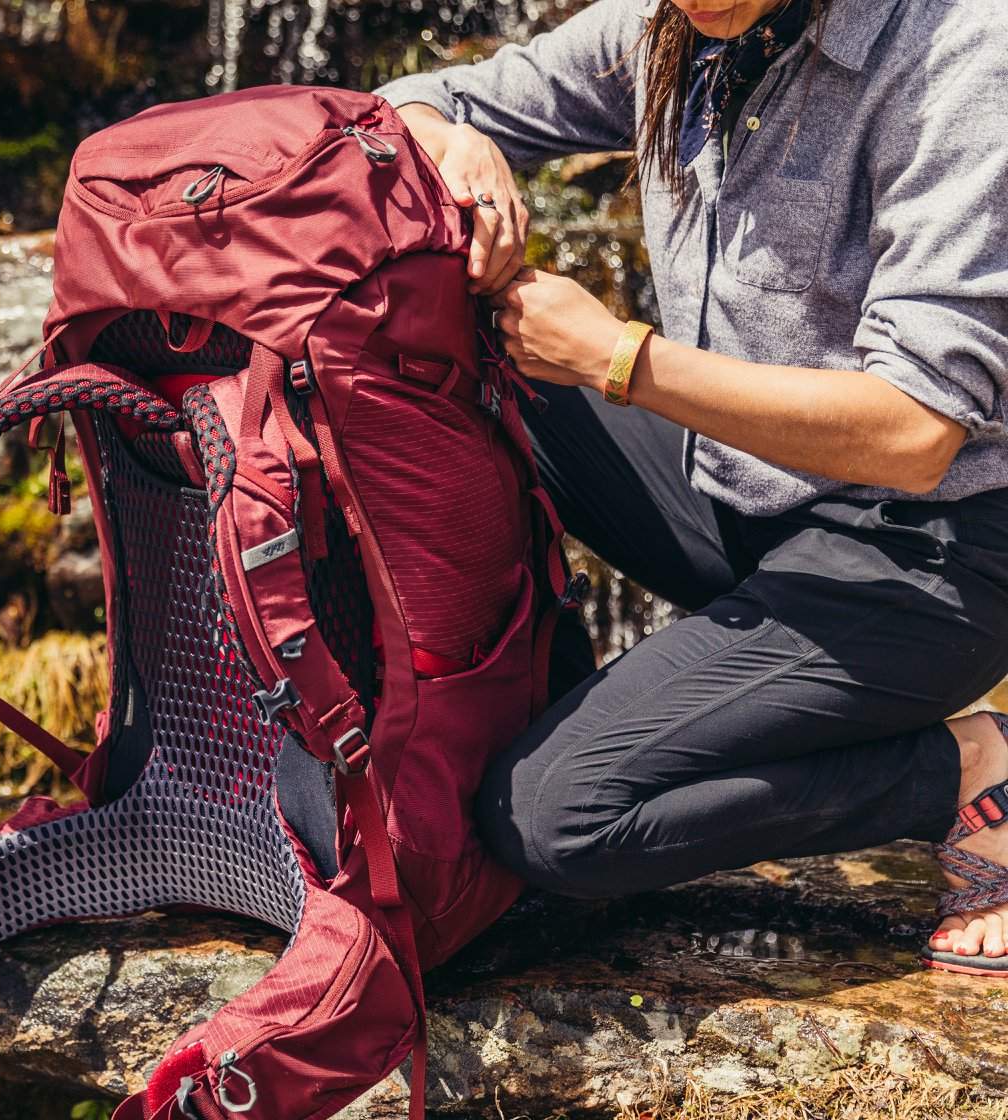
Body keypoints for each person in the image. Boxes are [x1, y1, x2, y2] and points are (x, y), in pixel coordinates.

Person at [376, 0, 1008, 972]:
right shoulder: (664, 26)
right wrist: (452, 138)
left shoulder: (964, 49)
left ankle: (968, 767)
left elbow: (918, 431)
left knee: (555, 820)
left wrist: (619, 356)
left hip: (929, 548)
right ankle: (491, 707)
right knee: (466, 359)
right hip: (747, 487)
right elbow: (393, 105)